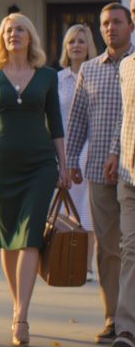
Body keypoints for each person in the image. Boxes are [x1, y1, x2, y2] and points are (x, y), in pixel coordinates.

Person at [0, 13, 69, 347]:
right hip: (2, 167)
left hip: (39, 166)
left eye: (20, 29)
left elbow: (57, 125)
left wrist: (63, 166)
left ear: (30, 36)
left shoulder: (48, 76)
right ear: (2, 38)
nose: (14, 35)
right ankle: (17, 304)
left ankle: (21, 317)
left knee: (31, 236)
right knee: (9, 240)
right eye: (8, 30)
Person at [66, 3, 134, 345]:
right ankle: (113, 317)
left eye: (117, 22)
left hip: (129, 168)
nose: (110, 28)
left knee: (131, 247)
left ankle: (128, 319)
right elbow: (77, 117)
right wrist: (71, 160)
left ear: (130, 25)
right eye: (105, 23)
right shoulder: (89, 70)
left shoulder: (133, 65)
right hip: (97, 171)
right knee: (108, 248)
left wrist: (115, 150)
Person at [57, 24, 98, 278]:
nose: (76, 46)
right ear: (66, 47)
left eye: (81, 41)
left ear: (88, 46)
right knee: (64, 208)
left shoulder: (96, 73)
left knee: (87, 210)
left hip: (89, 148)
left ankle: (87, 265)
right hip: (62, 148)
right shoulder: (57, 78)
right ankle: (63, 261)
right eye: (71, 41)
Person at [106, 51, 135, 347]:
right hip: (130, 173)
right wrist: (115, 151)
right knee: (130, 248)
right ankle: (126, 327)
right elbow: (124, 115)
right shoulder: (128, 65)